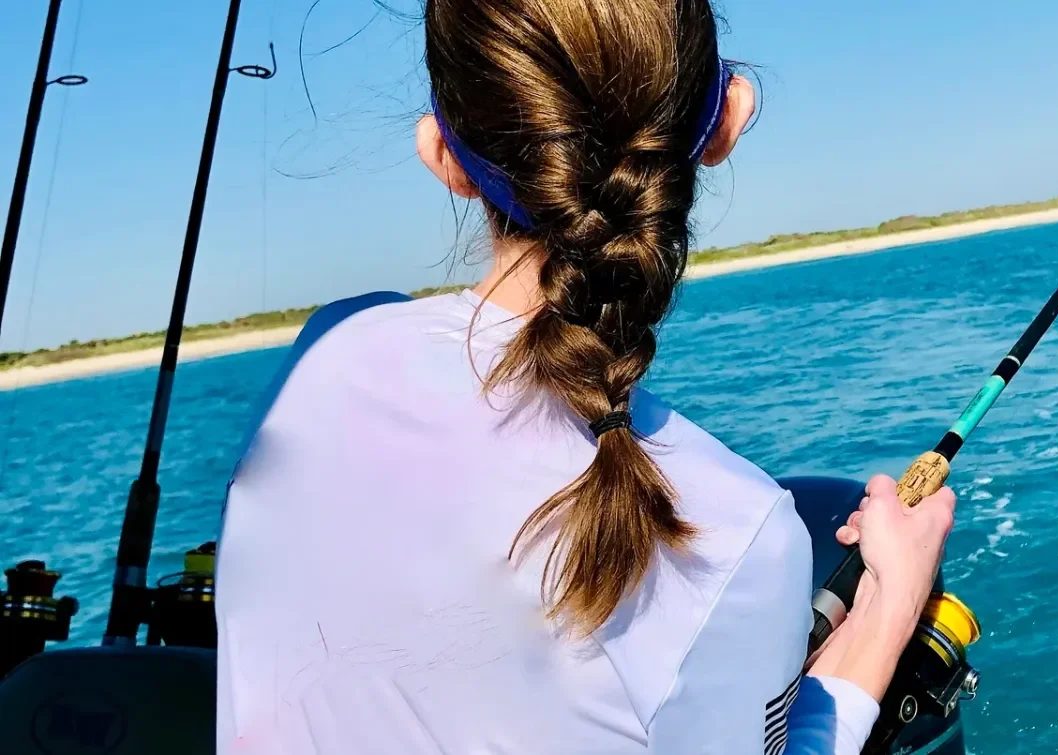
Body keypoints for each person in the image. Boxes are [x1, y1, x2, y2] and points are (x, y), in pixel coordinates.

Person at [214, 1, 957, 753]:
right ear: (729, 117)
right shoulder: (736, 534)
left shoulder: (322, 355)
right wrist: (885, 610)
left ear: (442, 152)